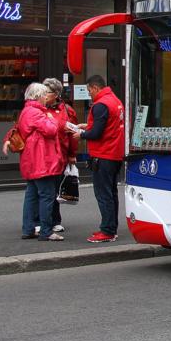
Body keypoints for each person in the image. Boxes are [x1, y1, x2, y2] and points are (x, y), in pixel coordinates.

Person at [75, 75, 126, 243]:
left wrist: (81, 134)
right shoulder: (115, 101)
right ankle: (111, 228)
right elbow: (107, 126)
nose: (89, 94)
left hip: (103, 154)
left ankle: (107, 231)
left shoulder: (100, 105)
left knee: (103, 194)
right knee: (111, 192)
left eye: (89, 90)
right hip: (115, 153)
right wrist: (87, 126)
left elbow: (96, 133)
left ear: (95, 88)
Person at [17, 82, 65, 241]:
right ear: (37, 96)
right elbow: (51, 129)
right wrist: (51, 118)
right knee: (47, 195)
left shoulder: (26, 111)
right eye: (44, 94)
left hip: (31, 160)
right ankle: (46, 231)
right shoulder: (37, 113)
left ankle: (28, 229)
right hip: (41, 160)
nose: (46, 97)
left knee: (31, 195)